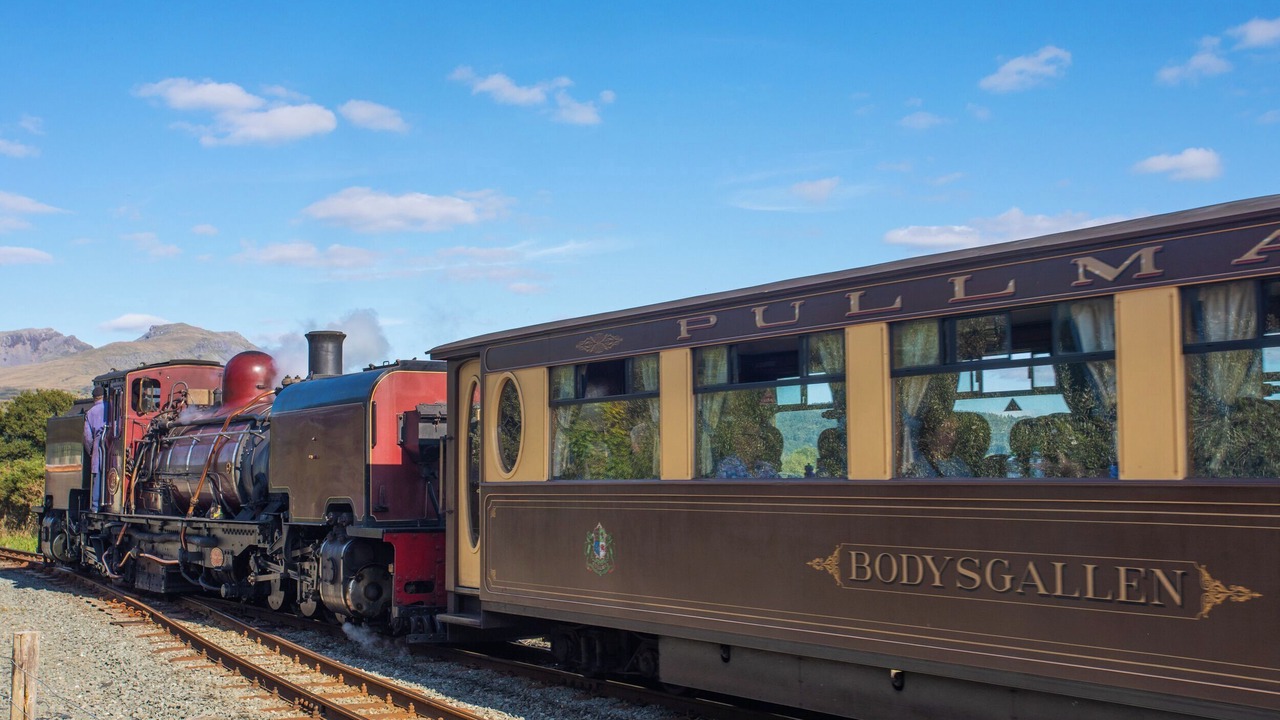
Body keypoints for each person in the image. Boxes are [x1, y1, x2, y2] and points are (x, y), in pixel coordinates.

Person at [83, 386, 105, 511]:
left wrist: (91, 451)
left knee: (98, 473)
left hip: (98, 442)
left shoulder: (90, 412)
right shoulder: (112, 408)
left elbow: (87, 437)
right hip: (115, 441)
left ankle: (96, 506)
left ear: (94, 398)